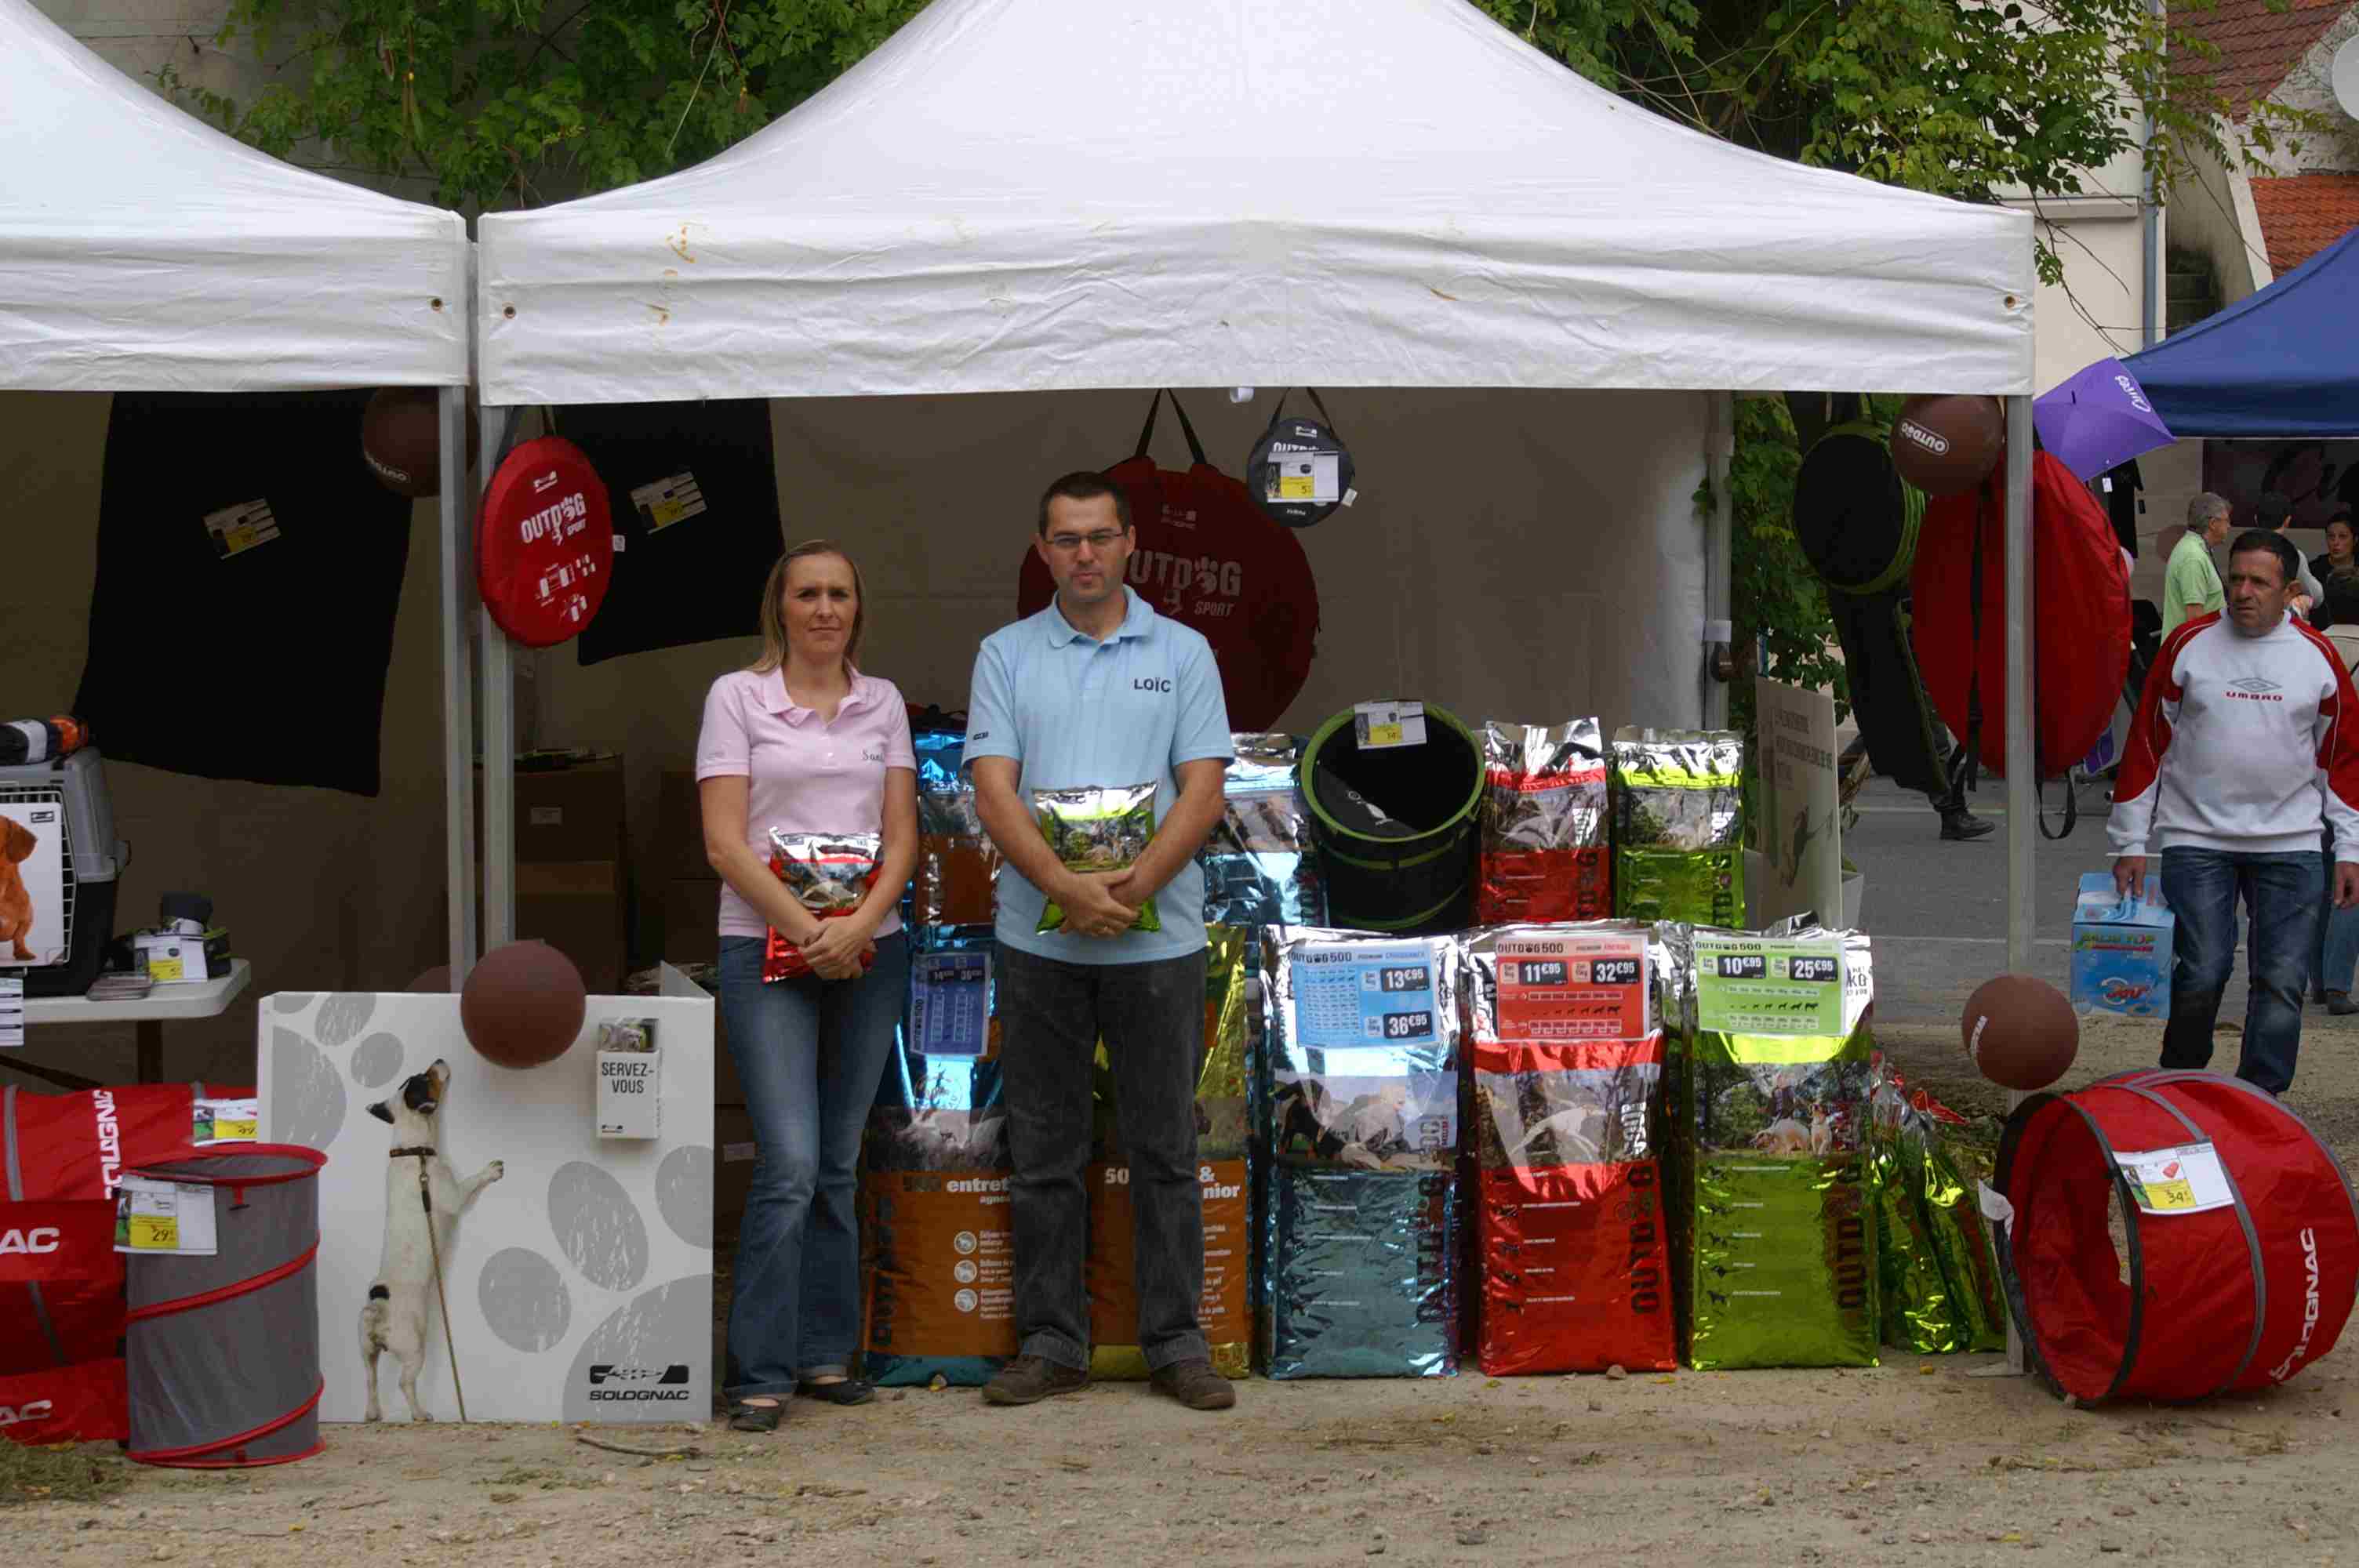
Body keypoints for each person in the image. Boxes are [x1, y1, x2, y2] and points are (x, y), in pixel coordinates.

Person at [962, 470, 1238, 1413]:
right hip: (1038, 942)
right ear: (1042, 550)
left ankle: (1175, 1342)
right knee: (1044, 1151)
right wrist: (1063, 888)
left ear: (1129, 544)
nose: (1083, 553)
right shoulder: (1004, 654)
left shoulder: (1185, 651)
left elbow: (1203, 788)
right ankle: (1050, 1341)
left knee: (1164, 1149)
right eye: (1065, 538)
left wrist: (1132, 889)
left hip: (1157, 943)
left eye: (1098, 536)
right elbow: (991, 789)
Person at [696, 540, 918, 1431]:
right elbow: (723, 843)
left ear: (857, 609)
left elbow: (902, 838)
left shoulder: (883, 702)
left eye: (839, 594)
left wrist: (857, 929)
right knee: (787, 1161)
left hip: (870, 950)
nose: (824, 609)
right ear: (779, 607)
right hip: (764, 946)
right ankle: (757, 1369)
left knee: (836, 1161)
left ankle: (825, 1354)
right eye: (807, 594)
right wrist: (808, 929)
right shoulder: (736, 697)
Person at [2110, 529, 2359, 1096]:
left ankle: (2259, 1100)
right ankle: (2182, 1085)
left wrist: (2349, 848)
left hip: (2292, 846)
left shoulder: (2317, 656)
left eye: (2259, 582)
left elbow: (2342, 761)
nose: (2243, 592)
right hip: (2197, 840)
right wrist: (2130, 841)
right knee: (2202, 971)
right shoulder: (2188, 644)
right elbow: (2147, 744)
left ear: (2290, 591)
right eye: (2236, 579)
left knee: (2281, 982)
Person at [2163, 492, 2230, 633]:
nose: (2229, 526)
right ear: (2213, 524)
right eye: (2227, 521)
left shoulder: (2195, 549)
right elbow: (2195, 619)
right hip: (2194, 644)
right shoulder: (2193, 557)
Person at [2255, 489, 2322, 617]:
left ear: (2256, 519)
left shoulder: (2242, 553)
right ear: (2288, 521)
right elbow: (2317, 596)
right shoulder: (2292, 555)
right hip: (2279, 621)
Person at [2306, 512, 2359, 630]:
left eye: (2343, 536)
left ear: (2355, 540)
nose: (2336, 542)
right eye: (2331, 536)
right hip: (2321, 633)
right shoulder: (2314, 570)